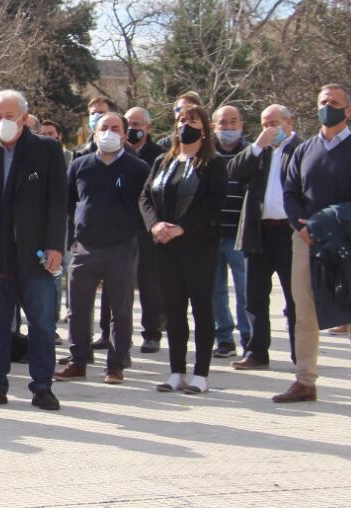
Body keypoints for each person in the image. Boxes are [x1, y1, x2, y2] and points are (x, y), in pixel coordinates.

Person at [0, 89, 66, 411]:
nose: (3, 121)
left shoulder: (46, 150)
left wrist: (55, 246)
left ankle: (42, 386)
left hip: (35, 256)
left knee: (42, 325)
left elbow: (58, 202)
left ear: (23, 118)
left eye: (9, 116)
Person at [274, 84, 351, 412]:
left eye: (333, 102)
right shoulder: (303, 150)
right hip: (305, 242)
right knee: (304, 314)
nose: (327, 106)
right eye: (322, 102)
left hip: (345, 242)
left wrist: (321, 225)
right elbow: (290, 192)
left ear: (349, 110)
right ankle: (305, 380)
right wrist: (301, 227)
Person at [56, 112, 151, 384]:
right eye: (103, 128)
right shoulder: (80, 165)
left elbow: (147, 204)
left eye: (115, 128)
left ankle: (116, 364)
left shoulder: (137, 168)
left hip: (121, 247)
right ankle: (78, 361)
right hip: (85, 246)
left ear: (124, 135)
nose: (109, 132)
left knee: (120, 309)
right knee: (77, 308)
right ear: (94, 133)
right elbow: (68, 201)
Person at [139, 104, 227, 395]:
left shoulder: (212, 163)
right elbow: (145, 197)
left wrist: (183, 227)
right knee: (174, 310)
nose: (185, 125)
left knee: (201, 308)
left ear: (205, 127)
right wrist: (155, 226)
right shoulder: (165, 161)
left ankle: (200, 374)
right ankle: (176, 370)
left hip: (198, 246)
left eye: (192, 120)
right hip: (165, 246)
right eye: (180, 120)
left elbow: (213, 203)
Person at [228, 104, 301, 370]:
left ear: (288, 122)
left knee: (296, 298)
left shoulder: (300, 150)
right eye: (264, 123)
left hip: (290, 233)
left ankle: (300, 353)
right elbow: (234, 172)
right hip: (258, 232)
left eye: (274, 123)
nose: (270, 128)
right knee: (255, 296)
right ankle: (257, 351)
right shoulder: (259, 152)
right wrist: (257, 145)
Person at [125, 106, 167, 352]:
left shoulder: (160, 155)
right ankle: (115, 334)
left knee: (149, 283)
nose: (133, 129)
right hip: (121, 225)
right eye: (129, 124)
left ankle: (152, 333)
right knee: (118, 285)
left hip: (146, 227)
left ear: (148, 128)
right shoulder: (118, 152)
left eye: (138, 125)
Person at [210, 104, 250, 358]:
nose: (228, 127)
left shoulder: (253, 153)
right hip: (211, 235)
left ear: (241, 124)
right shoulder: (205, 156)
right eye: (223, 123)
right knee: (216, 291)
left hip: (241, 236)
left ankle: (249, 338)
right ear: (213, 127)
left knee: (245, 290)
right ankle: (224, 338)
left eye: (233, 121)